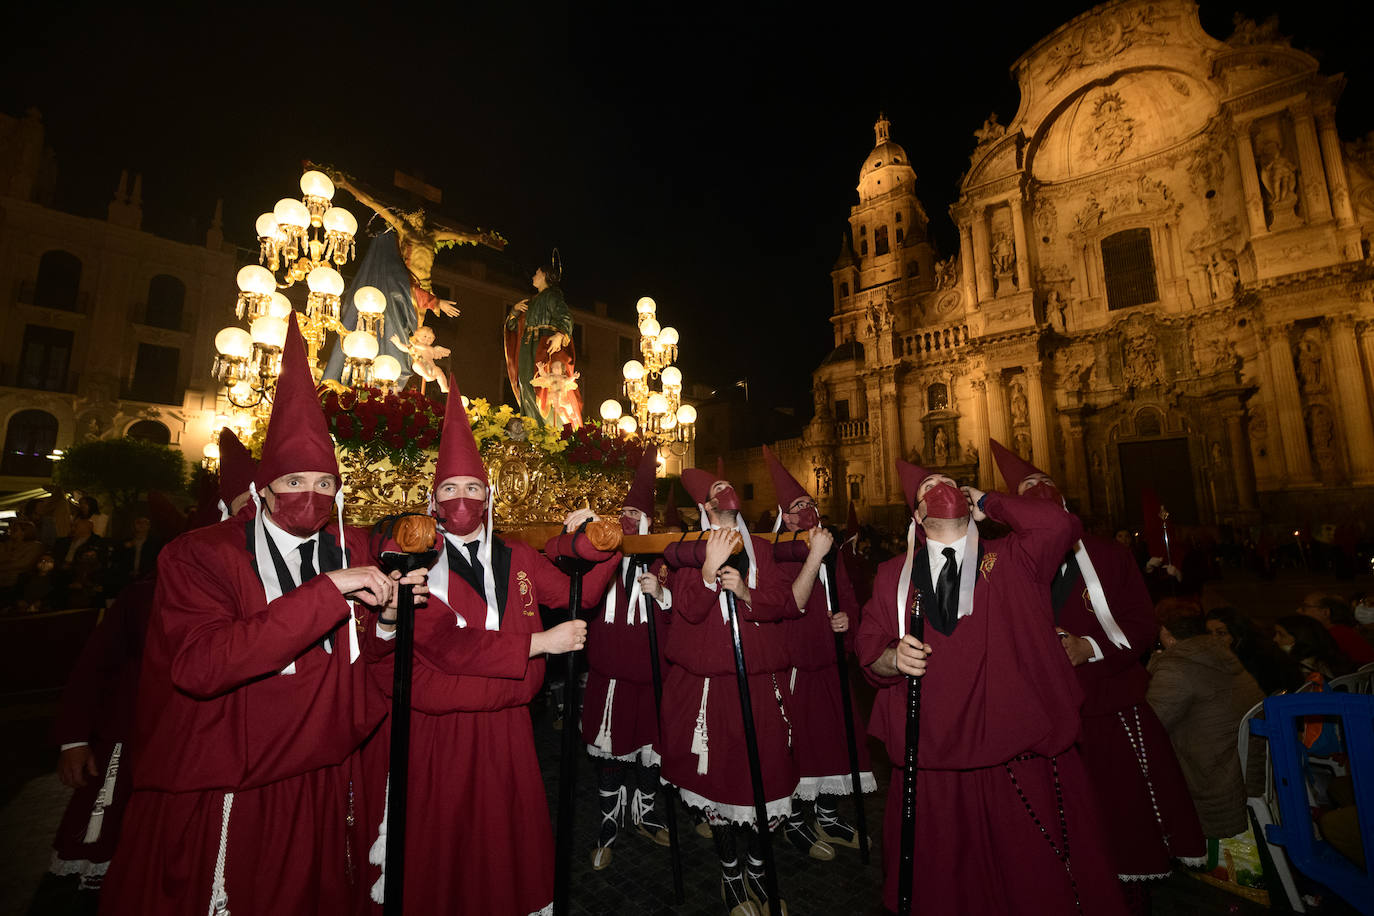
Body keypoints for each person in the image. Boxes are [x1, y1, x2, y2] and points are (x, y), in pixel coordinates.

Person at [100, 315, 414, 916]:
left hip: (319, 782)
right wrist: (328, 591)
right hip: (226, 789)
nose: (311, 495)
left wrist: (391, 625)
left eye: (326, 482)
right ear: (265, 488)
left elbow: (365, 676)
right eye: (295, 479)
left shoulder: (349, 552)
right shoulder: (200, 554)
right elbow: (202, 665)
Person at [361, 378, 616, 915]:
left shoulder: (517, 556)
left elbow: (581, 595)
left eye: (472, 489)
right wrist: (541, 642)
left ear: (488, 496)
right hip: (441, 732)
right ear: (433, 499)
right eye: (450, 489)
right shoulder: (410, 556)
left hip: (509, 729)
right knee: (444, 860)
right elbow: (444, 645)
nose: (462, 499)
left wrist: (609, 542)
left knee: (504, 856)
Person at [856, 459, 1127, 916]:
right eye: (928, 487)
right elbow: (868, 650)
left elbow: (1059, 522)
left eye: (948, 483)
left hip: (1016, 760)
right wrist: (891, 658)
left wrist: (990, 501)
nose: (940, 487)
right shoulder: (891, 576)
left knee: (1034, 887)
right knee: (944, 892)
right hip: (933, 767)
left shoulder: (1017, 558)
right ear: (917, 516)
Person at [991, 442, 1203, 895]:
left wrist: (1089, 647)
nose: (1038, 494)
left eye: (1044, 486)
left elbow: (1142, 623)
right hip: (1038, 714)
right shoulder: (1002, 561)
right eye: (1026, 492)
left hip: (1107, 702)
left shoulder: (1108, 555)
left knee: (1122, 813)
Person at [659, 465, 800, 915]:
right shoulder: (686, 551)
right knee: (717, 783)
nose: (725, 491)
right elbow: (686, 611)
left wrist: (745, 593)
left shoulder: (760, 547)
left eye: (728, 485)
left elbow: (784, 602)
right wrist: (707, 571)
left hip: (760, 683)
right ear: (704, 506)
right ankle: (731, 873)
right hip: (707, 690)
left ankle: (758, 866)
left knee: (768, 778)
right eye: (716, 490)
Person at [763, 445, 874, 860]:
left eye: (810, 502)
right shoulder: (775, 553)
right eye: (797, 506)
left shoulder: (832, 550)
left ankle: (827, 812)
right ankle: (793, 819)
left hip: (829, 662)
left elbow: (846, 596)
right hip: (794, 665)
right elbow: (780, 604)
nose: (807, 510)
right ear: (785, 516)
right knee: (798, 745)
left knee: (835, 739)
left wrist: (848, 620)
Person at [582, 445, 675, 870]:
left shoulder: (665, 564)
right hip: (611, 676)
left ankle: (647, 811)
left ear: (649, 522)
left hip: (653, 673)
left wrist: (664, 595)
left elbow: (686, 614)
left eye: (637, 515)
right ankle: (607, 821)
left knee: (650, 751)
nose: (629, 520)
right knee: (611, 751)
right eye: (623, 513)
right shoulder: (597, 560)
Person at [1147, 613, 1265, 840]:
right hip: (1248, 763)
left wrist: (1152, 667)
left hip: (1213, 776)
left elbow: (1151, 725)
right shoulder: (1220, 653)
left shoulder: (1176, 667)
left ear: (1168, 636)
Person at [504, 253, 581, 429]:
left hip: (543, 344)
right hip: (526, 345)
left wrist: (560, 334)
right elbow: (512, 326)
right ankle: (530, 424)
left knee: (544, 386)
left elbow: (565, 316)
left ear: (545, 276)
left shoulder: (553, 295)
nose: (533, 276)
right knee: (525, 383)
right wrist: (515, 311)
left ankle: (546, 429)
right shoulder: (531, 302)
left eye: (537, 273)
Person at [1205, 606, 1303, 694]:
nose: (1213, 639)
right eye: (1209, 633)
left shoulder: (1257, 656)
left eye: (1221, 633)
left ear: (1238, 634)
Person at [1297, 592, 1374, 666]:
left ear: (1325, 612)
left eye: (1305, 607)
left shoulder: (1333, 636)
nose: (1298, 611)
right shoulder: (1341, 631)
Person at [1273, 614, 1356, 681]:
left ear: (1301, 638)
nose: (1275, 639)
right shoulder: (1330, 660)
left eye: (1281, 635)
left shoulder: (1307, 671)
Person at [0, 519, 44, 601]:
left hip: (18, 580)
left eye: (15, 530)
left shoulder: (35, 546)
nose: (11, 531)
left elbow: (24, 564)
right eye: (11, 529)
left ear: (24, 532)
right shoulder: (6, 544)